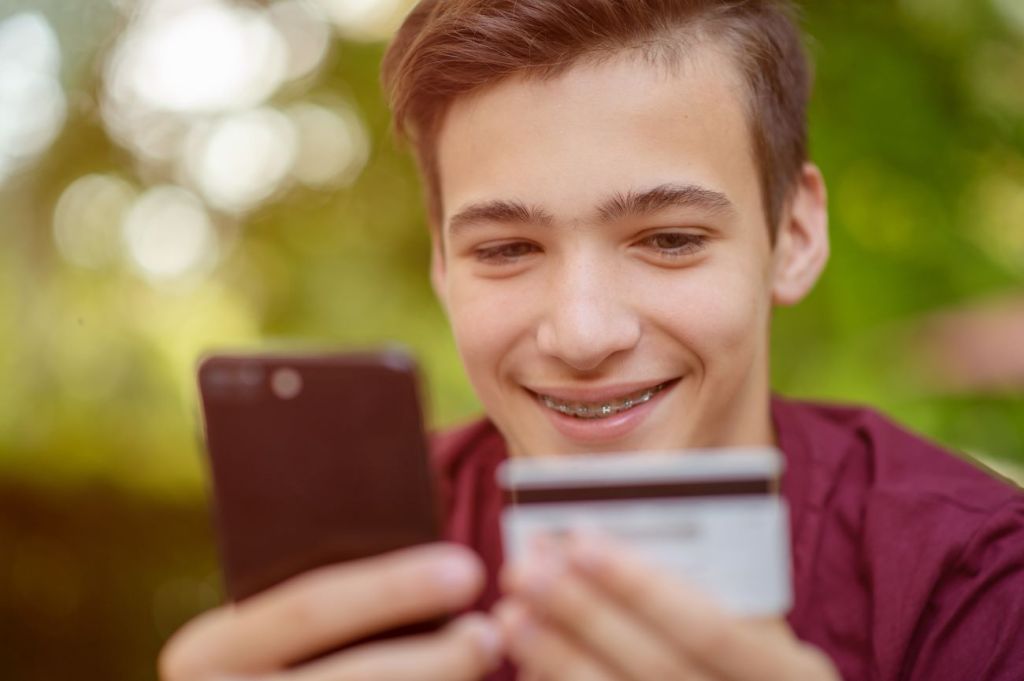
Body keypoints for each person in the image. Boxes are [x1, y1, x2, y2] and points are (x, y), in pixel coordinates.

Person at [159, 1, 1024, 680]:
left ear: (794, 236)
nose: (581, 332)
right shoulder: (362, 560)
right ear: (442, 263)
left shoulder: (974, 580)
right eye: (505, 249)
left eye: (671, 238)